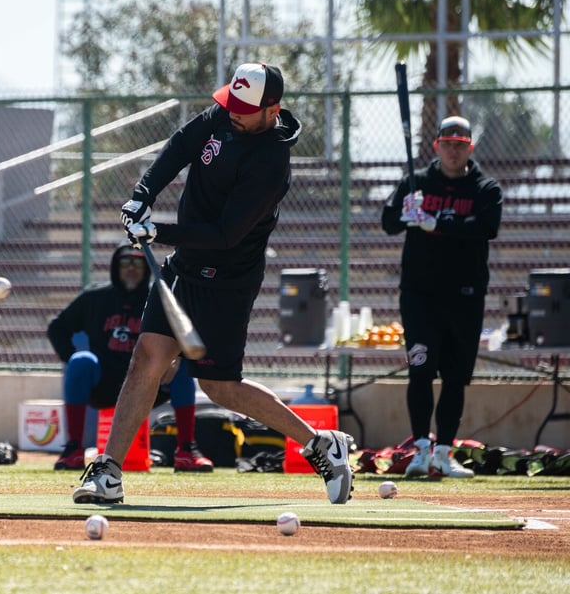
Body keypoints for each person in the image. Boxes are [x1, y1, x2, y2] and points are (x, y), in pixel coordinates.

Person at [72, 63, 354, 505]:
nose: (233, 113)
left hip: (228, 281)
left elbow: (226, 235)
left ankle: (319, 442)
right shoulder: (226, 113)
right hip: (183, 268)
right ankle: (107, 472)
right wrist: (143, 195)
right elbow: (180, 145)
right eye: (232, 103)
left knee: (220, 387)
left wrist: (157, 231)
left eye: (244, 109)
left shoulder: (271, 163)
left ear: (272, 109)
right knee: (147, 357)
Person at [381, 115, 503, 479]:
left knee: (455, 377)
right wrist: (405, 213)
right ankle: (420, 449)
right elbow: (387, 223)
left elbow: (487, 227)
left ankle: (444, 453)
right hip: (420, 295)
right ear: (437, 146)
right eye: (447, 143)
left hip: (465, 296)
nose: (453, 150)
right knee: (420, 371)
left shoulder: (485, 187)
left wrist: (437, 221)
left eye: (460, 144)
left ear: (470, 148)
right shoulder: (415, 183)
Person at [47, 243, 214, 472]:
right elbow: (57, 327)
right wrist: (70, 356)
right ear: (116, 267)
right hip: (103, 383)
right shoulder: (95, 297)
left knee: (182, 367)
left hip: (149, 383)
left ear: (146, 267)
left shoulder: (158, 298)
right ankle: (73, 449)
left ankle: (186, 451)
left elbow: (187, 334)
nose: (131, 268)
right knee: (81, 362)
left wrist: (178, 357)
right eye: (125, 262)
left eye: (137, 261)